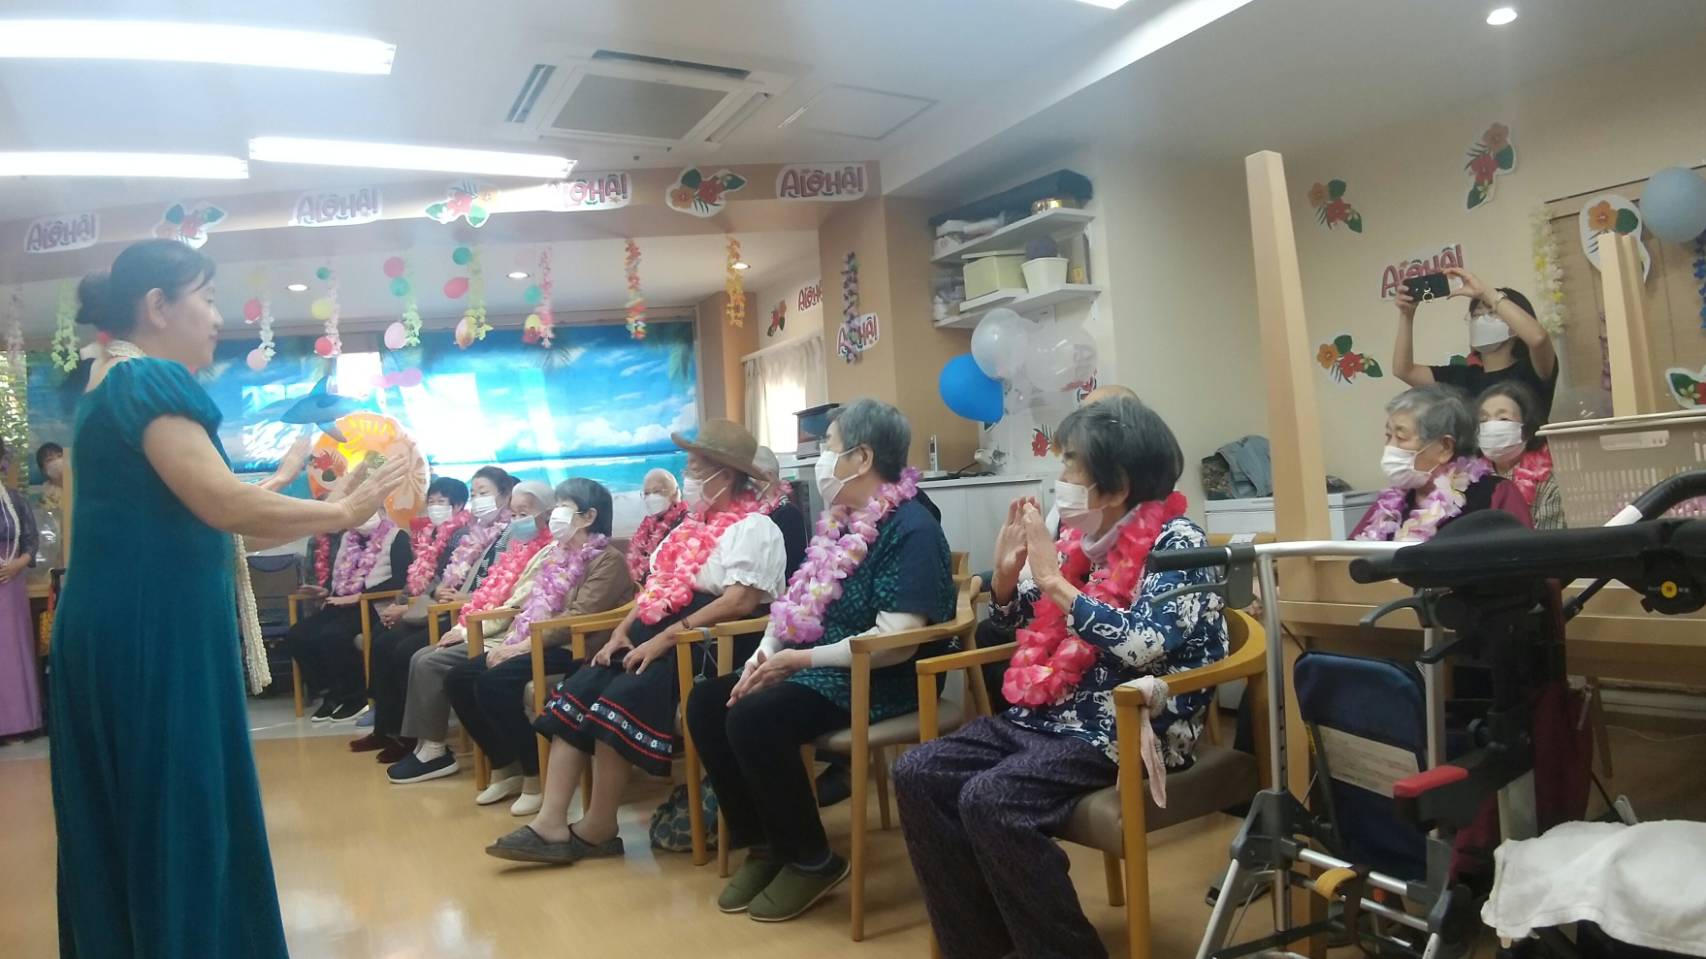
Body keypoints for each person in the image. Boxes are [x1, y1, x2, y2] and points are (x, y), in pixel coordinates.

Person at [51, 238, 405, 958]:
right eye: (207, 298)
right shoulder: (148, 380)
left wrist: (317, 501)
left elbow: (206, 509)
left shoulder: (107, 385)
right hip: (154, 634)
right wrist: (342, 511)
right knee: (178, 808)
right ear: (158, 306)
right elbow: (222, 503)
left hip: (118, 628)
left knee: (135, 815)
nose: (218, 318)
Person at [892, 397, 1228, 959]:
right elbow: (1030, 628)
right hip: (1047, 717)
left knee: (991, 799)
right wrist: (1006, 583)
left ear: (1116, 485)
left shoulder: (1179, 544)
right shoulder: (1082, 541)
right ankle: (980, 947)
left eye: (1071, 462)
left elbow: (1146, 645)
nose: (1060, 475)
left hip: (1128, 727)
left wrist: (1053, 581)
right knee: (917, 771)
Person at [686, 399, 955, 920]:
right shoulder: (838, 524)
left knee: (755, 717)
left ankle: (811, 860)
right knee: (708, 703)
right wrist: (765, 653)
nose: (820, 458)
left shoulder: (913, 527)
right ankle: (766, 845)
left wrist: (798, 661)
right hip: (822, 666)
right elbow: (794, 603)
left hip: (883, 676)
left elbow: (897, 640)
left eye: (829, 446)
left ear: (862, 457)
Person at [487, 419, 786, 865]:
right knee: (579, 690)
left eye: (694, 468)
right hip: (654, 633)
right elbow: (656, 587)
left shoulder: (755, 528)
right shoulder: (687, 528)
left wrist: (663, 639)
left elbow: (739, 601)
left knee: (617, 701)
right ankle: (550, 823)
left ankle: (599, 828)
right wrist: (622, 630)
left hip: (703, 645)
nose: (687, 475)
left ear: (724, 476)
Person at [445, 478, 635, 814]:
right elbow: (534, 605)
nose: (554, 514)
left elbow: (578, 618)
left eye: (563, 506)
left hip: (576, 649)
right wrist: (517, 639)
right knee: (458, 678)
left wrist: (521, 647)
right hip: (541, 641)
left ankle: (534, 772)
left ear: (589, 516)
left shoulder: (609, 560)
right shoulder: (556, 554)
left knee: (493, 683)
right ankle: (506, 765)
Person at [386, 480, 554, 784]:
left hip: (508, 633)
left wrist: (465, 631)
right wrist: (463, 625)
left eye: (524, 514)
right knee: (420, 655)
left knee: (429, 661)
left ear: (548, 514)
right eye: (514, 514)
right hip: (488, 624)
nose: (517, 520)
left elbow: (517, 604)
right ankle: (425, 744)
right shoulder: (515, 547)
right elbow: (491, 592)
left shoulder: (549, 552)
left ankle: (435, 750)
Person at [363, 466, 517, 762]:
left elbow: (503, 588)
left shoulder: (496, 534)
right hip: (453, 608)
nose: (478, 499)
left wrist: (450, 599)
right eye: (475, 493)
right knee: (384, 641)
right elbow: (434, 581)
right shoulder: (476, 533)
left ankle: (416, 740)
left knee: (408, 651)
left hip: (471, 615)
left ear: (505, 495)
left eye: (483, 493)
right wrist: (416, 601)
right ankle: (390, 727)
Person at [348, 475, 470, 752]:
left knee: (402, 650)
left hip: (447, 614)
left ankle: (409, 735)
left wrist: (407, 608)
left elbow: (448, 586)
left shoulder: (462, 536)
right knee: (380, 639)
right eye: (431, 501)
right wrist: (400, 602)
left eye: (441, 502)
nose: (434, 507)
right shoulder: (431, 535)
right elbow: (416, 579)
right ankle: (385, 728)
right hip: (423, 608)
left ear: (458, 505)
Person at [283, 497, 413, 722]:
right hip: (340, 602)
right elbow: (341, 575)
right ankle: (331, 691)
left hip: (372, 604)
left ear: (382, 512)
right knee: (297, 635)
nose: (364, 518)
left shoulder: (397, 536)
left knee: (333, 635)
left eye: (370, 511)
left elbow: (400, 580)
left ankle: (355, 697)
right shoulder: (348, 538)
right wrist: (326, 590)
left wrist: (359, 596)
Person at [1353, 384, 1533, 541]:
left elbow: (1521, 561)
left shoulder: (1495, 493)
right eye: (1388, 436)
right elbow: (1349, 556)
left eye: (1401, 437)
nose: (1390, 447)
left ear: (1445, 447)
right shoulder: (1389, 503)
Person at [1391, 267, 1558, 417]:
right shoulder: (1461, 378)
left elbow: (1538, 339)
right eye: (1477, 314)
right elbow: (1404, 370)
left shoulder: (1531, 370)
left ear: (1515, 326)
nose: (1480, 320)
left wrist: (1486, 293)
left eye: (1491, 313)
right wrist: (1406, 315)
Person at [1478, 381, 1565, 531]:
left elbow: (1547, 542)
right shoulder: (1470, 480)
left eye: (1503, 418)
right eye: (1483, 420)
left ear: (1527, 429)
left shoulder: (1549, 484)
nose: (1491, 426)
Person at [0, 438, 41, 742]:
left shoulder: (16, 500)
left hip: (12, 581)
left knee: (14, 647)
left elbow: (31, 540)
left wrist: (17, 565)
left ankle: (23, 721)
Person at [754, 444, 809, 581]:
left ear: (768, 476)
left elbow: (790, 567)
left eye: (750, 475)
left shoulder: (788, 514)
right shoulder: (751, 513)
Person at [627, 466, 687, 584]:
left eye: (657, 491)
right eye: (647, 493)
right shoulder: (648, 526)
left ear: (675, 493)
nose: (651, 497)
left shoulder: (685, 522)